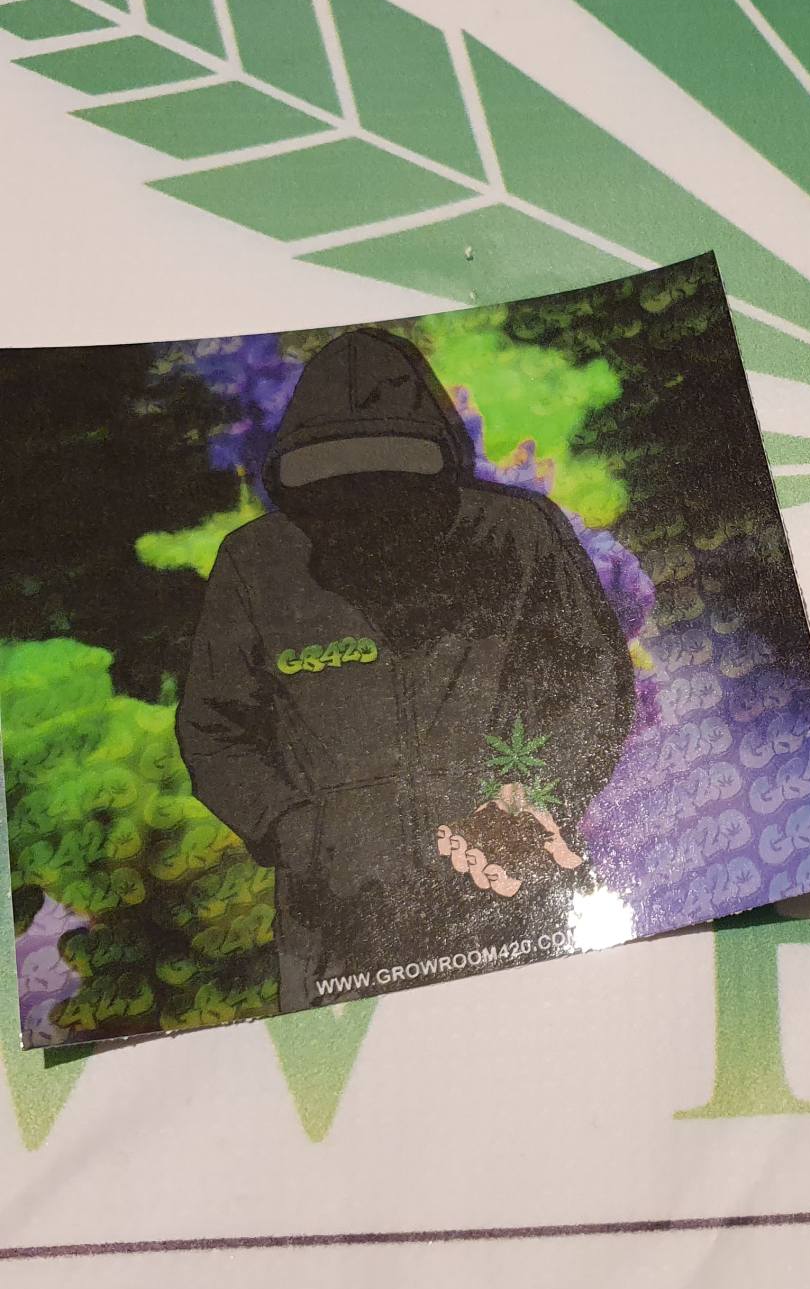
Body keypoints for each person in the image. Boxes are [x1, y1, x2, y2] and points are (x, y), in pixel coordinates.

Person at [177, 327, 636, 1011]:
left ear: (436, 463)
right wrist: (299, 832)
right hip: (336, 930)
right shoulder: (258, 563)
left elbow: (591, 680)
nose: (366, 498)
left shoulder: (516, 535)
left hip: (513, 896)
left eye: (390, 472)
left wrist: (536, 789)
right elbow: (214, 728)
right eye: (338, 479)